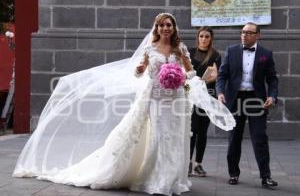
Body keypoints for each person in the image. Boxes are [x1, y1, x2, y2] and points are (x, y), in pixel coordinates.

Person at [12, 13, 235, 196]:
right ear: (156, 28)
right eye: (161, 25)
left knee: (176, 136)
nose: (166, 28)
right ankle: (157, 178)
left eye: (169, 25)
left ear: (174, 28)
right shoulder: (150, 49)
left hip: (176, 98)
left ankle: (173, 178)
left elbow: (189, 74)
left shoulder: (181, 49)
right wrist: (139, 71)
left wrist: (188, 90)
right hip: (156, 98)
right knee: (159, 135)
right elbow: (141, 72)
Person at [216, 22, 279, 188]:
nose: (244, 35)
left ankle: (266, 177)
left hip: (256, 100)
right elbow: (222, 76)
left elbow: (272, 79)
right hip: (235, 99)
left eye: (249, 33)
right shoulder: (232, 51)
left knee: (260, 138)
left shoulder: (266, 54)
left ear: (258, 35)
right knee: (234, 139)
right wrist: (220, 92)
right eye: (243, 32)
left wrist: (272, 96)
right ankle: (233, 173)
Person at [188, 26, 221, 177]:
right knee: (192, 130)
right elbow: (185, 72)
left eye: (207, 36)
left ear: (211, 39)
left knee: (202, 131)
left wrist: (208, 79)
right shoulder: (189, 52)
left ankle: (198, 164)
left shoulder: (215, 55)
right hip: (192, 96)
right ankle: (187, 162)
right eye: (201, 36)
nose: (204, 39)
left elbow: (216, 76)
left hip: (208, 95)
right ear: (198, 37)